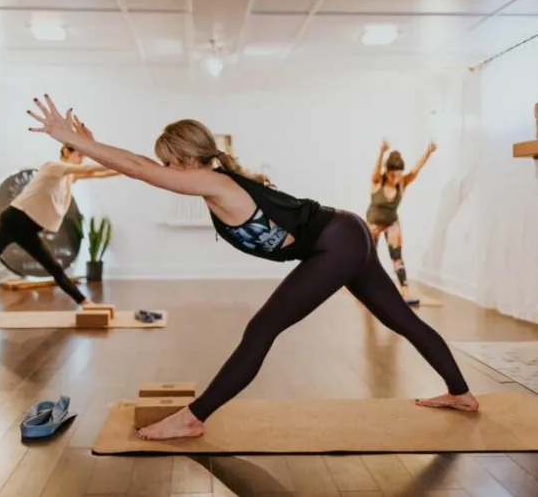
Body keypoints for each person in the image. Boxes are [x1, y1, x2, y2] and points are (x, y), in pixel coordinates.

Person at [26, 94, 479, 441]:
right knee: (399, 319)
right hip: (346, 235)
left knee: (262, 328)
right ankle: (461, 393)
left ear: (186, 160)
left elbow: (141, 169)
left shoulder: (213, 181)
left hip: (338, 242)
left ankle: (192, 419)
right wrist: (88, 143)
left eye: (169, 163)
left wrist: (77, 141)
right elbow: (140, 167)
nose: (164, 171)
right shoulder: (212, 184)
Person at [0, 118, 121, 325]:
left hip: (29, 229)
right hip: (12, 222)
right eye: (80, 154)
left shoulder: (69, 177)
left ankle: (86, 304)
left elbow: (101, 173)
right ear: (67, 153)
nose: (82, 159)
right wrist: (115, 162)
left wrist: (129, 169)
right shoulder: (53, 167)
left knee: (55, 269)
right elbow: (92, 170)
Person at [366, 139, 437, 303]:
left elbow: (416, 170)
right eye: (393, 174)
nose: (396, 178)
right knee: (369, 257)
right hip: (373, 224)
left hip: (391, 222)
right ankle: (367, 291)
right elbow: (376, 170)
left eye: (399, 174)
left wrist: (428, 152)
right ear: (387, 171)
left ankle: (405, 292)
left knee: (397, 257)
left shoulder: (402, 183)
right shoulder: (378, 181)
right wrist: (382, 152)